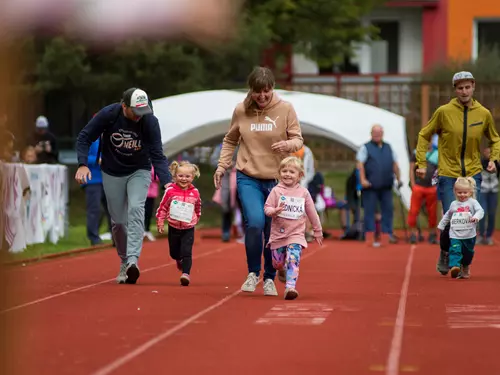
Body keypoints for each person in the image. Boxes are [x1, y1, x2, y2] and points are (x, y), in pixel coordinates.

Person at [213, 66, 304, 296]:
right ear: (250, 90)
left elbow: (298, 139)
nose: (262, 96)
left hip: (277, 180)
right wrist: (222, 166)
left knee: (270, 227)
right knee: (255, 222)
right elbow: (230, 139)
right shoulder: (241, 110)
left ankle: (270, 278)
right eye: (257, 92)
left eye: (266, 91)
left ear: (272, 88)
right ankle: (253, 272)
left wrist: (287, 145)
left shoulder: (285, 109)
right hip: (248, 176)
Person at [75, 88, 171, 284]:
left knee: (136, 209)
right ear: (124, 106)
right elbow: (84, 137)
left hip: (140, 170)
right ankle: (124, 260)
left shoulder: (150, 120)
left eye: (142, 112)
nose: (138, 117)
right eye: (135, 112)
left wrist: (168, 182)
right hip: (112, 171)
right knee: (118, 222)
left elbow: (157, 154)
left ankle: (133, 262)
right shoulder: (109, 115)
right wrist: (83, 164)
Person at [415, 71, 500, 275]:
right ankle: (446, 251)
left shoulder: (483, 113)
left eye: (467, 87)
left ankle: (463, 263)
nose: (464, 91)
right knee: (451, 218)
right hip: (448, 172)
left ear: (473, 86)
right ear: (455, 90)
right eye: (460, 88)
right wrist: (421, 163)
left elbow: (495, 139)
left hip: (472, 173)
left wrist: (493, 159)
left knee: (471, 219)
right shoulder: (444, 112)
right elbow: (423, 134)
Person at [264, 157, 323, 300]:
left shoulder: (303, 193)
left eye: (292, 171)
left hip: (296, 233)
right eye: (284, 171)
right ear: (279, 173)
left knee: (293, 258)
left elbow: (312, 212)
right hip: (278, 234)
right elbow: (267, 208)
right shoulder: (276, 191)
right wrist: (274, 211)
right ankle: (281, 270)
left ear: (300, 175)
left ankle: (290, 287)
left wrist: (317, 230)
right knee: (277, 263)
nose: (288, 174)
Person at [156, 161, 201, 286]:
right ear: (175, 177)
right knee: (174, 252)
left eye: (187, 176)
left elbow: (198, 206)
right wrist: (160, 221)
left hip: (188, 227)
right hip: (173, 227)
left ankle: (186, 274)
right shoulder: (170, 191)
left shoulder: (195, 192)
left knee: (187, 251)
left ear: (192, 177)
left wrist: (197, 217)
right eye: (181, 176)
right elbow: (163, 207)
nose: (184, 179)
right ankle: (178, 259)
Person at [356, 124, 402, 247]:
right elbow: (360, 164)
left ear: (382, 134)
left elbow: (395, 164)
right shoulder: (365, 147)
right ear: (371, 134)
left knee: (388, 211)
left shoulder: (388, 147)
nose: (377, 135)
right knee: (369, 212)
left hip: (386, 185)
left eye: (379, 132)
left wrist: (398, 178)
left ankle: (386, 236)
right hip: (370, 186)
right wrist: (363, 179)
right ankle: (370, 238)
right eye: (375, 132)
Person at [437, 177, 484, 279]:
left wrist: (476, 217)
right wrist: (441, 225)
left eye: (465, 193)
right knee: (455, 249)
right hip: (455, 234)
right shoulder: (453, 204)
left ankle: (465, 266)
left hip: (469, 234)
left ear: (470, 192)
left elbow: (480, 211)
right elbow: (447, 215)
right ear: (455, 192)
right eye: (459, 193)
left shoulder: (473, 202)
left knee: (468, 253)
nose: (462, 195)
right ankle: (455, 266)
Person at [408, 134, 439, 244]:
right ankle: (413, 233)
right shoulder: (416, 152)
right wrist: (412, 183)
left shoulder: (437, 154)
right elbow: (411, 169)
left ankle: (432, 233)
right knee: (413, 211)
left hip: (431, 187)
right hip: (418, 186)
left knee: (432, 212)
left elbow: (439, 171)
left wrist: (437, 185)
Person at [478, 147, 499, 245]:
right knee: (482, 212)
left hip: (493, 191)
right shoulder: (481, 162)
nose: (488, 154)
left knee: (492, 214)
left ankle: (489, 236)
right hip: (483, 191)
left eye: (490, 152)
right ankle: (481, 235)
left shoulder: (496, 163)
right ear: (483, 152)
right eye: (486, 152)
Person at [144, 166, 160, 242]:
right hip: (140, 191)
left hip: (151, 193)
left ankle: (147, 230)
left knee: (149, 212)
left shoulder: (155, 164)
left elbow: (158, 176)